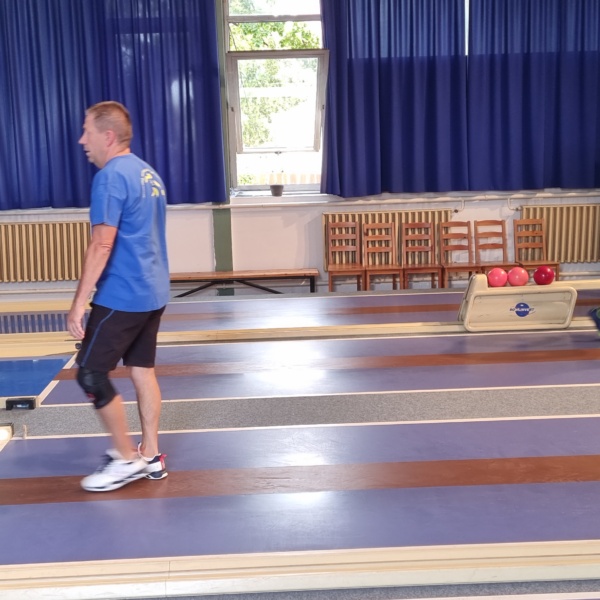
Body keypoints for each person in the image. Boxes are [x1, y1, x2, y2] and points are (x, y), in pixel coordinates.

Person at [67, 101, 170, 492]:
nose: (82, 140)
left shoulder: (110, 177)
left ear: (107, 136)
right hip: (153, 291)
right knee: (142, 368)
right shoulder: (148, 173)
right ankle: (150, 454)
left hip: (123, 294)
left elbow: (102, 244)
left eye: (87, 132)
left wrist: (78, 303)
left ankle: (126, 458)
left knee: (90, 373)